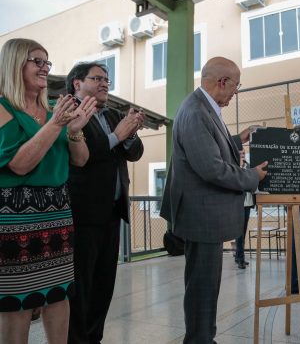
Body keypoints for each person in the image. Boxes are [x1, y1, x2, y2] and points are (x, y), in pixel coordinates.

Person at [160, 57, 267, 344]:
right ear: (222, 82)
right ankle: (199, 340)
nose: (235, 93)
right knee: (202, 286)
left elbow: (211, 146)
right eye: (235, 87)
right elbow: (211, 167)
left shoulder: (204, 106)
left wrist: (238, 139)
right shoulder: (196, 111)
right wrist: (252, 176)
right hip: (201, 215)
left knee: (205, 284)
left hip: (204, 213)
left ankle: (203, 337)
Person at [0, 38, 97, 343]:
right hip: (16, 216)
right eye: (36, 61)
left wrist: (74, 129)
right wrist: (56, 125)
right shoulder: (3, 108)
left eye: (47, 62)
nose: (45, 68)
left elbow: (81, 160)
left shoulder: (56, 109)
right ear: (15, 64)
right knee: (17, 301)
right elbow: (19, 164)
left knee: (58, 293)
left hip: (57, 211)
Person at [66, 62, 145, 344]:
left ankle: (94, 337)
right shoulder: (69, 112)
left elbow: (134, 153)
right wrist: (118, 136)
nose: (104, 84)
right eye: (96, 78)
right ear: (77, 84)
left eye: (107, 80)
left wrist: (132, 132)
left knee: (103, 286)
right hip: (82, 214)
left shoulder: (112, 114)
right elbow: (81, 158)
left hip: (112, 212)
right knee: (81, 287)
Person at [235, 150, 254, 269]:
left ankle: (238, 257)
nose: (243, 155)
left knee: (243, 231)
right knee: (239, 233)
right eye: (240, 154)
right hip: (239, 204)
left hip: (248, 203)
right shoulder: (235, 167)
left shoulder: (249, 167)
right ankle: (240, 259)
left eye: (243, 153)